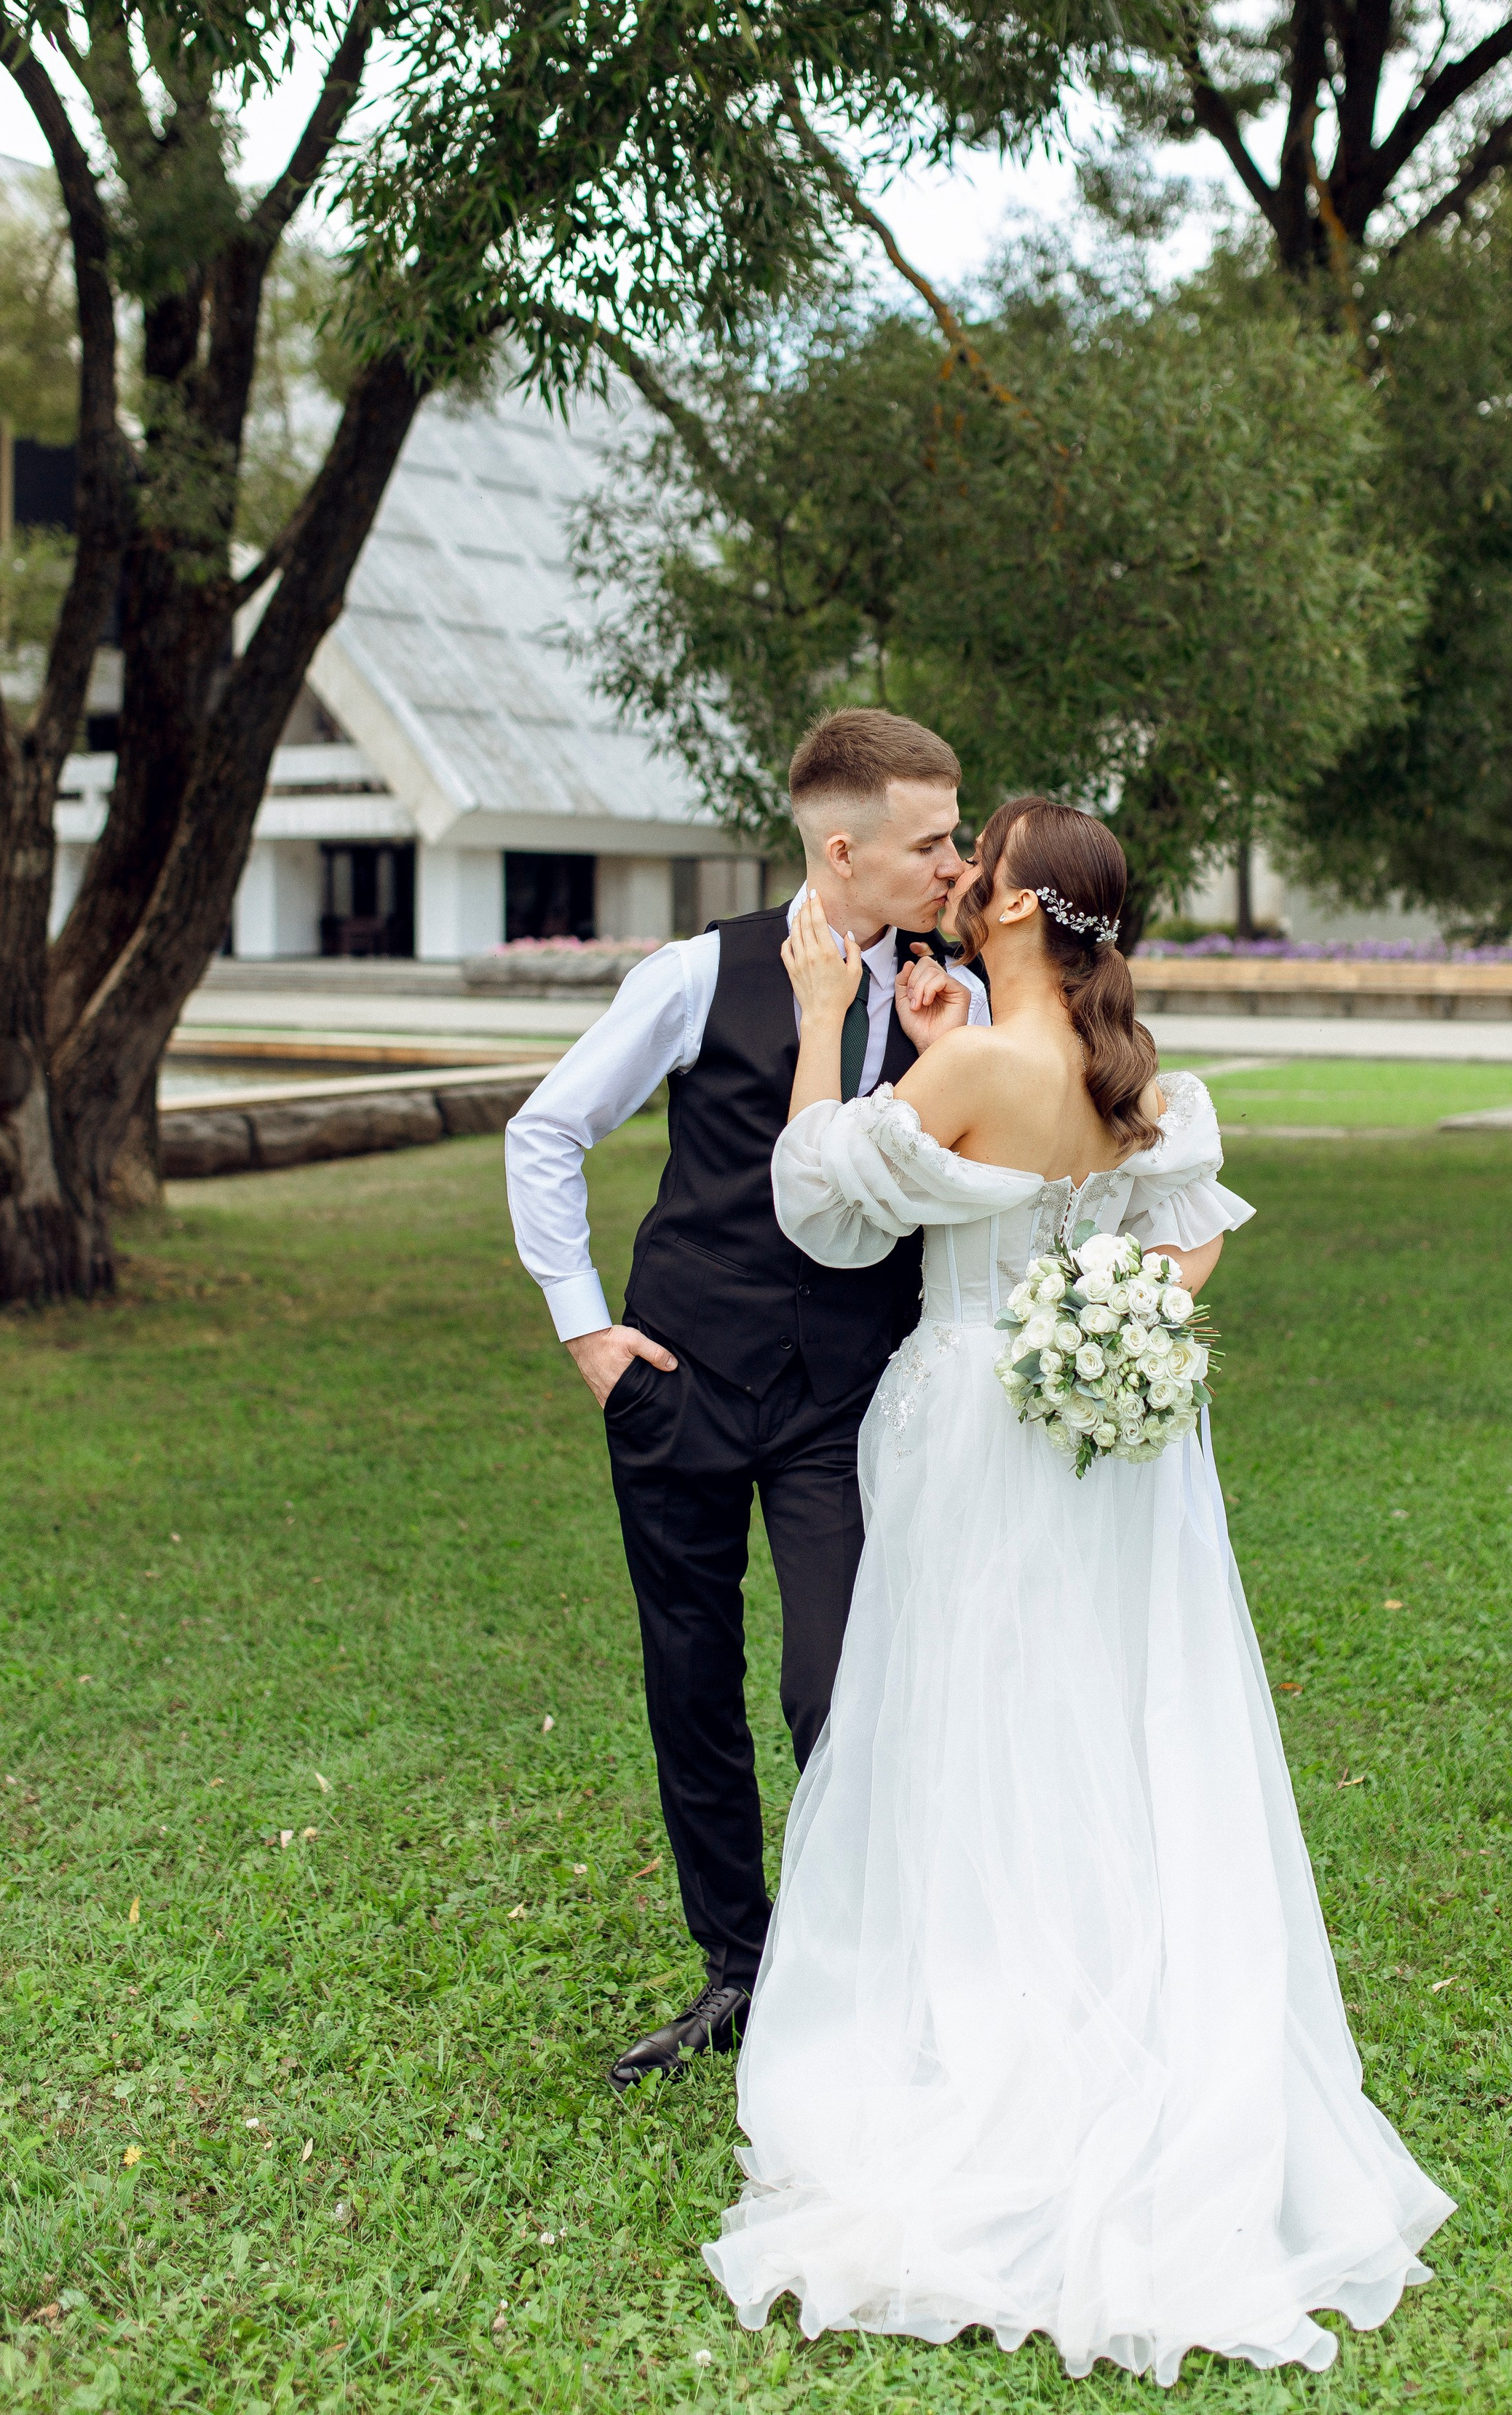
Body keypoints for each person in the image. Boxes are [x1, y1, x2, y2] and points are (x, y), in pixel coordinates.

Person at [702, 796, 1454, 2384]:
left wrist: (836, 1024)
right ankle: (1118, 1992)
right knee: (1105, 1720)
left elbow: (817, 1207)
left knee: (962, 1719)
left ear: (1027, 910)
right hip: (1104, 1441)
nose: (959, 876)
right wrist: (1106, 1313)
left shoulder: (969, 1070)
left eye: (985, 866)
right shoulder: (1140, 1080)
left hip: (973, 1418)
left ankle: (981, 2032)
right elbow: (1187, 1242)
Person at [505, 709, 989, 2090]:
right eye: (930, 842)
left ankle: (856, 1966)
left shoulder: (956, 993)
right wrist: (588, 1331)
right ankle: (738, 1968)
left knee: (835, 1684)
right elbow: (546, 1130)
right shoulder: (693, 973)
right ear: (844, 850)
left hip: (849, 1394)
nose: (953, 864)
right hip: (681, 1382)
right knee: (691, 1683)